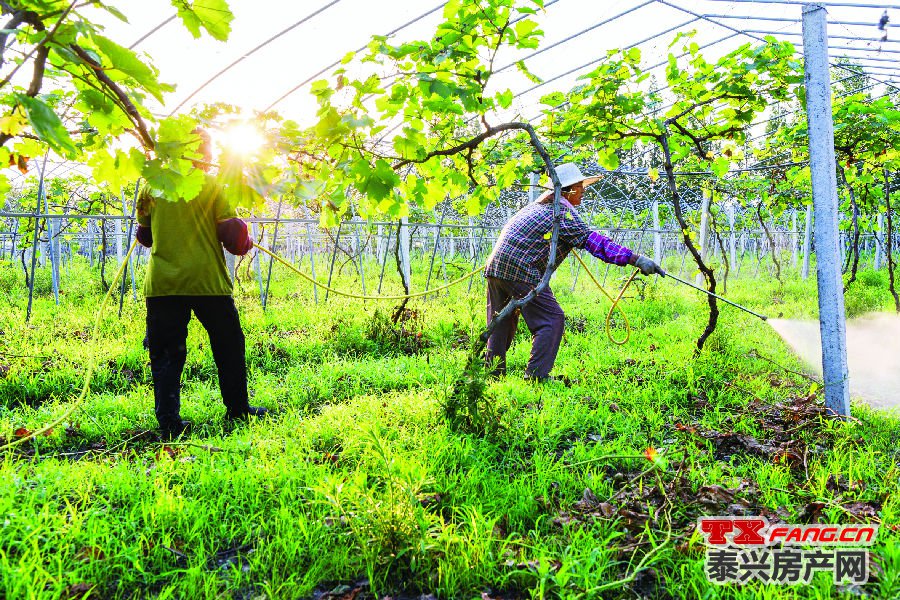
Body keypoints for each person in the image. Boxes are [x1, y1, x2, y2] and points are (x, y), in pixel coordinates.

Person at [136, 130, 268, 436]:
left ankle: (169, 421)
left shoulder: (151, 187)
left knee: (167, 353)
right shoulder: (210, 186)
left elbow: (145, 237)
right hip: (207, 283)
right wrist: (246, 241)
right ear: (202, 154)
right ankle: (238, 409)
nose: (209, 158)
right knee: (228, 346)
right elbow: (233, 238)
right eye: (208, 152)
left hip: (164, 285)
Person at [484, 162, 665, 382]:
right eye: (580, 186)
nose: (584, 190)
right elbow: (596, 243)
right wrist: (636, 259)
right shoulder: (562, 214)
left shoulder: (534, 207)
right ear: (568, 190)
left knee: (500, 320)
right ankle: (537, 376)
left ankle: (491, 375)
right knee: (551, 318)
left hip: (495, 267)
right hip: (521, 269)